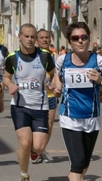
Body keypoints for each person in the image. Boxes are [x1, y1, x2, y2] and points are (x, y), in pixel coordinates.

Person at [51, 22, 102, 181]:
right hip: (69, 117)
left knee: (84, 164)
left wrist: (101, 81)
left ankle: (75, 178)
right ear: (69, 41)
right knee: (77, 162)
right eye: (75, 38)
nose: (80, 41)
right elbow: (57, 78)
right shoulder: (63, 60)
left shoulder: (100, 61)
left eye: (83, 37)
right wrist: (57, 87)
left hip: (92, 118)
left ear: (89, 39)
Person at [3, 23, 56, 181]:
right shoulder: (12, 57)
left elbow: (54, 75)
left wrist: (52, 83)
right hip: (20, 106)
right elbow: (5, 77)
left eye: (33, 37)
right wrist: (10, 85)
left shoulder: (45, 56)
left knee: (39, 147)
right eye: (27, 36)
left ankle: (34, 151)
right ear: (20, 37)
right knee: (24, 142)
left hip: (40, 106)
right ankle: (24, 175)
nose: (30, 40)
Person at [35, 29, 59, 164]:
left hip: (50, 96)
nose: (45, 40)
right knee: (37, 126)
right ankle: (36, 149)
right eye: (42, 37)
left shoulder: (52, 54)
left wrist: (56, 87)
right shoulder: (34, 54)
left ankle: (41, 151)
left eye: (47, 37)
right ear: (37, 40)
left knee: (49, 125)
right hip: (37, 96)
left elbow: (54, 74)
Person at [0, 43, 9, 113]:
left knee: (0, 94)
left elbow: (9, 59)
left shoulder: (3, 49)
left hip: (1, 75)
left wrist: (6, 66)